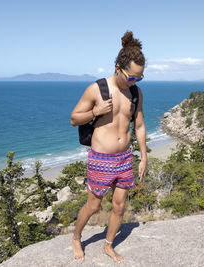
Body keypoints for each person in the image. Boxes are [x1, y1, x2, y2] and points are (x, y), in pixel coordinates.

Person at [69, 31, 147, 263]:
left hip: (124, 158)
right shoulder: (97, 89)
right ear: (117, 68)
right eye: (132, 77)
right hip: (101, 159)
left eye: (139, 78)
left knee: (120, 206)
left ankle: (108, 245)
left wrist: (143, 156)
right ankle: (76, 237)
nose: (134, 81)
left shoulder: (135, 92)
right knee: (93, 206)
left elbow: (139, 125)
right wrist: (95, 112)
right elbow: (74, 118)